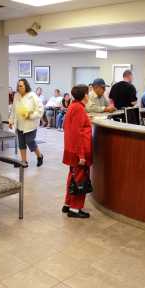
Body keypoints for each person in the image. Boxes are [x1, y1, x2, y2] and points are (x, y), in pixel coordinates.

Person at [61, 84, 93, 219]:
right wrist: (81, 155)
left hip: (72, 149)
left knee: (73, 177)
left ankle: (68, 204)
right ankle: (75, 208)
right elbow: (78, 133)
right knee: (80, 178)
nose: (89, 95)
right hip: (79, 151)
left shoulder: (73, 106)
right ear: (84, 95)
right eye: (88, 93)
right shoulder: (79, 109)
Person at [9, 79, 45, 167]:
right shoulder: (16, 96)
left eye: (21, 86)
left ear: (26, 86)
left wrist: (31, 116)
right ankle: (24, 161)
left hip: (30, 124)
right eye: (18, 86)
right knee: (21, 143)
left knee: (30, 141)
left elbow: (40, 110)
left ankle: (39, 156)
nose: (19, 87)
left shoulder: (32, 96)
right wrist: (11, 120)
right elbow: (14, 109)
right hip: (19, 124)